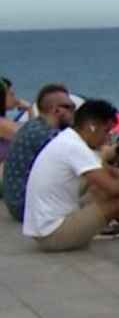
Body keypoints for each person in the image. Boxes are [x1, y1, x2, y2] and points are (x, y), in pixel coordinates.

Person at [23, 99, 119, 255]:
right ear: (92, 126)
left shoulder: (69, 139)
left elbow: (111, 174)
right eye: (106, 131)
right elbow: (114, 189)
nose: (107, 139)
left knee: (104, 191)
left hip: (44, 227)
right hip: (52, 234)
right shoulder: (75, 147)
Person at [3, 83, 75, 222]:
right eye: (71, 107)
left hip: (17, 202)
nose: (74, 112)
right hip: (26, 207)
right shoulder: (45, 135)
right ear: (57, 110)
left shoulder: (35, 125)